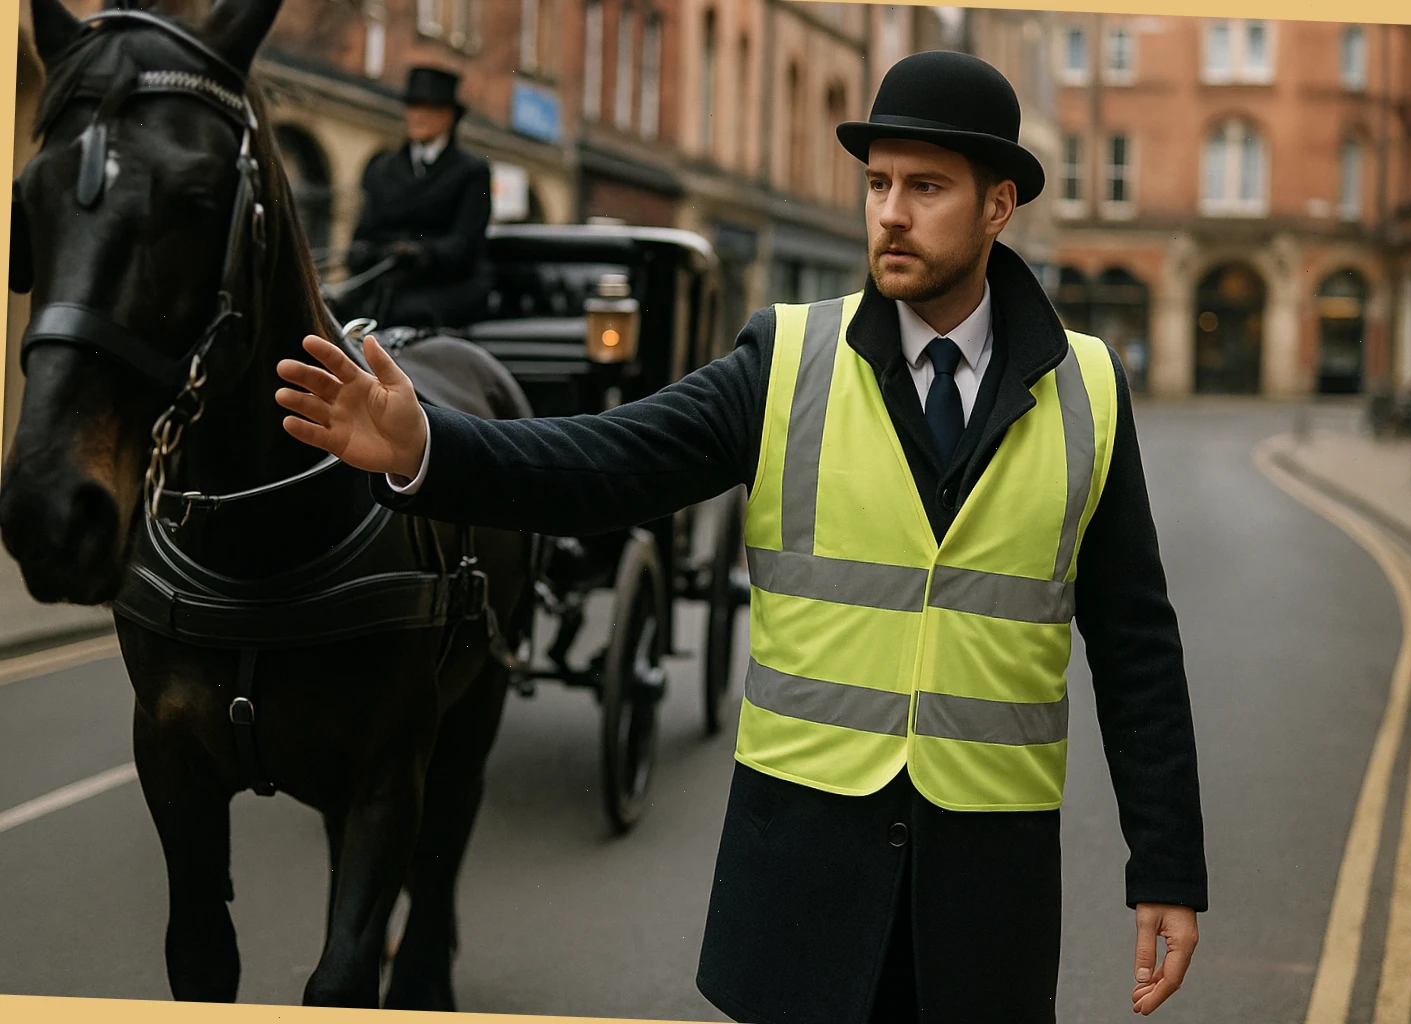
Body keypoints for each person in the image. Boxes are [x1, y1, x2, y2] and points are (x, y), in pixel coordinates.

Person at [276, 50, 1206, 1023]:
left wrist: (1167, 864)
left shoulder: (1088, 390)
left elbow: (1137, 643)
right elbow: (606, 461)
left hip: (988, 894)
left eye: (926, 187)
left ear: (998, 203)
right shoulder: (789, 358)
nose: (889, 210)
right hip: (802, 885)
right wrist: (430, 445)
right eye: (878, 182)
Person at [339, 65, 494, 330]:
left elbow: (465, 243)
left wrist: (424, 253)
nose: (418, 116)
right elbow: (363, 233)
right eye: (413, 107)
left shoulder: (471, 172)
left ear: (449, 117)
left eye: (429, 109)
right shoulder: (382, 169)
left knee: (407, 316)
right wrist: (365, 254)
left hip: (445, 286)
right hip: (384, 284)